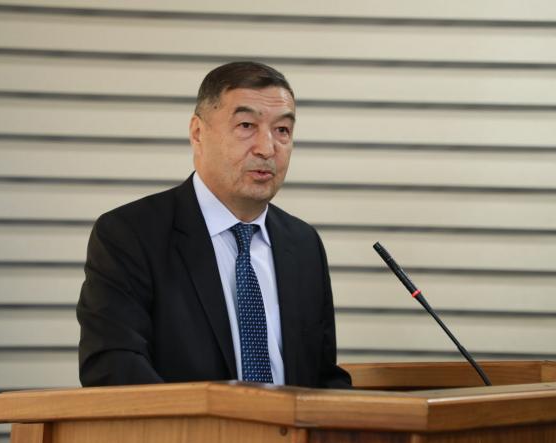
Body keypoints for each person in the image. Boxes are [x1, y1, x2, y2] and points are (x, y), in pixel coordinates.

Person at [77, 61, 351, 389]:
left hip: (294, 424)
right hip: (183, 424)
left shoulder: (304, 244)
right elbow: (113, 367)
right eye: (246, 125)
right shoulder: (130, 235)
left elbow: (321, 376)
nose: (267, 149)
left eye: (282, 130)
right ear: (198, 133)